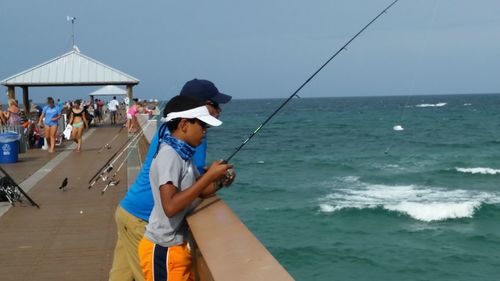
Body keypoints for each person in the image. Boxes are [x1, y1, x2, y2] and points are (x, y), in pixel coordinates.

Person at [108, 79, 234, 281]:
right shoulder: (186, 142)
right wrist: (210, 176)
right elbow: (190, 189)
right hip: (147, 224)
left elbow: (192, 179)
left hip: (128, 211)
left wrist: (218, 180)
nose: (219, 110)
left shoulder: (169, 131)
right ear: (199, 107)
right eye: (215, 105)